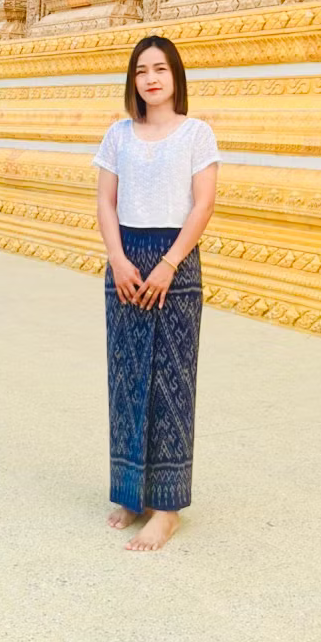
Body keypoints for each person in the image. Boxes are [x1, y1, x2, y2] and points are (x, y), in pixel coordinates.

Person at [93, 34, 219, 552]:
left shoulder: (197, 134)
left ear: (175, 76)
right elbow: (105, 202)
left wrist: (169, 264)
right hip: (125, 264)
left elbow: (203, 205)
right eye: (142, 70)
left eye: (160, 69)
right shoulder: (118, 135)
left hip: (176, 265)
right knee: (126, 381)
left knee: (171, 383)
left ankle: (165, 508)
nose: (150, 78)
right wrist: (118, 259)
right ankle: (130, 494)